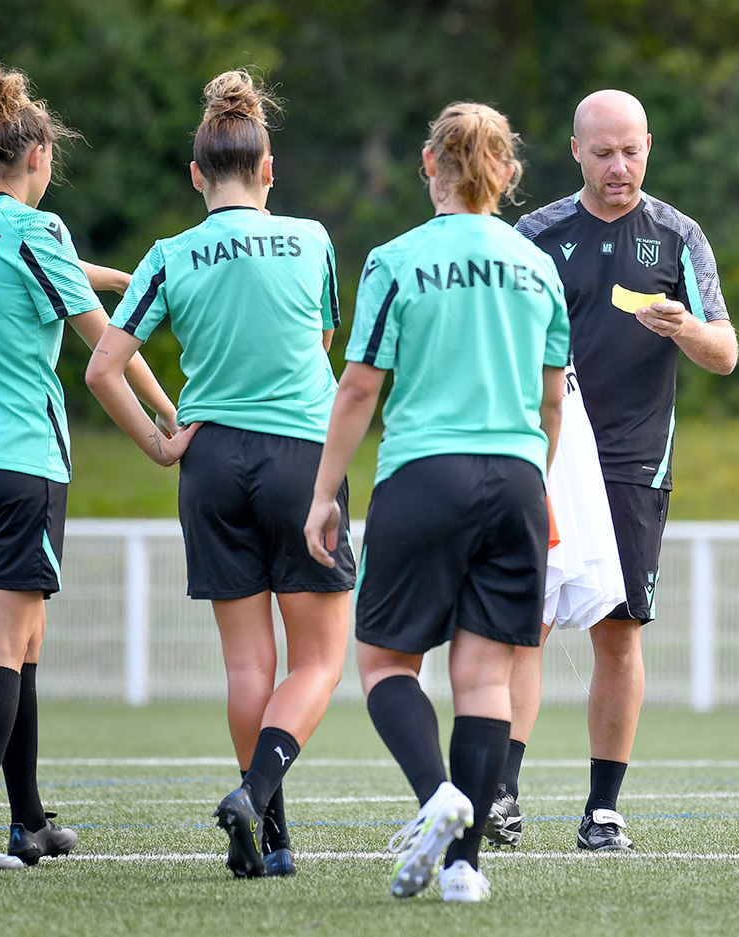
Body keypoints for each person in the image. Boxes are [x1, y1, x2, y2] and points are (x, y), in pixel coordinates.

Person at [85, 69, 353, 879]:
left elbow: (103, 368)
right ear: (270, 170)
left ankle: (272, 839)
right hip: (300, 458)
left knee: (247, 665)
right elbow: (324, 346)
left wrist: (160, 442)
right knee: (318, 662)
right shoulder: (312, 240)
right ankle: (255, 791)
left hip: (209, 463)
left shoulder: (168, 255)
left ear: (196, 175)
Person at [304, 101, 568, 903]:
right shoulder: (539, 265)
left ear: (430, 164)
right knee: (485, 680)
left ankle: (436, 797)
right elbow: (554, 399)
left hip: (425, 472)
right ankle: (465, 869)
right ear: (509, 174)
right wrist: (536, 479)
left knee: (385, 659)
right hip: (518, 476)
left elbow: (358, 388)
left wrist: (324, 493)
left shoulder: (396, 259)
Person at [0, 57, 181, 871]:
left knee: (25, 639)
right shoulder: (35, 229)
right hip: (20, 464)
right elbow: (103, 341)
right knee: (3, 646)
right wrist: (167, 417)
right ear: (38, 159)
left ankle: (28, 820)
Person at [493, 88, 738, 853]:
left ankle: (603, 809)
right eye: (602, 152)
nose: (618, 166)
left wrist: (686, 327)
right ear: (575, 152)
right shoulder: (534, 234)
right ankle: (501, 793)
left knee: (619, 632)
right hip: (547, 451)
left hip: (634, 457)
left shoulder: (677, 236)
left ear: (649, 147)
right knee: (523, 625)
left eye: (630, 150)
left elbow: (726, 354)